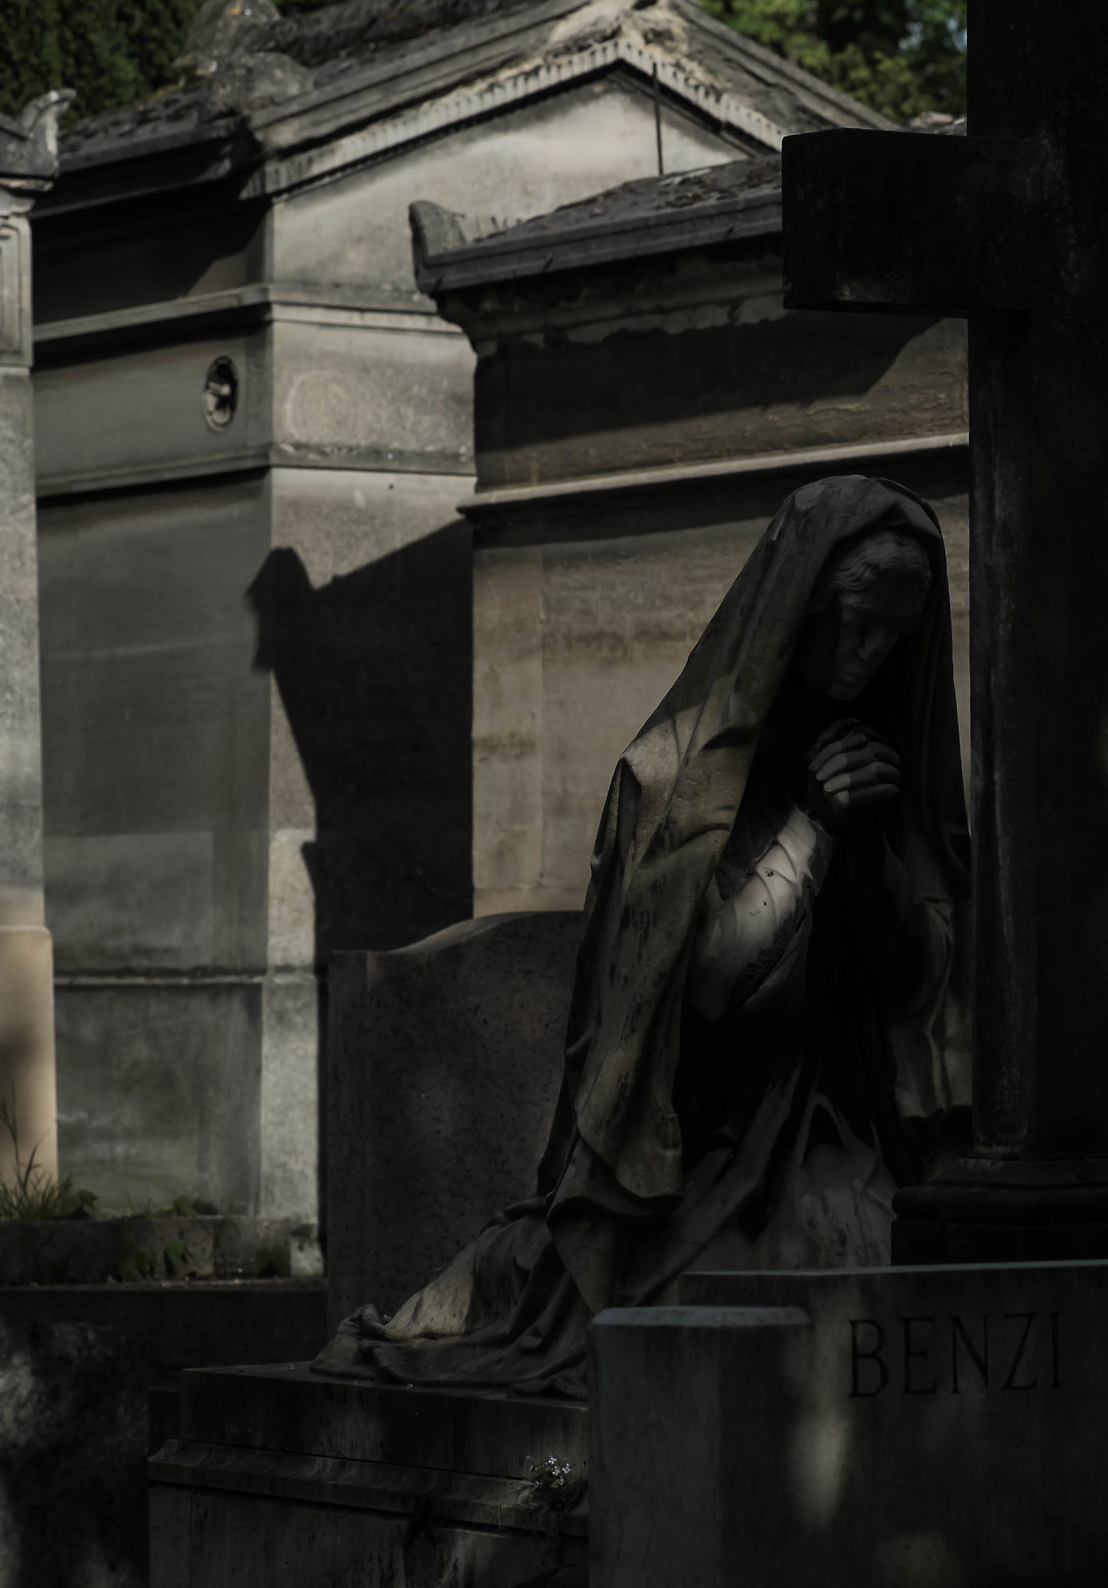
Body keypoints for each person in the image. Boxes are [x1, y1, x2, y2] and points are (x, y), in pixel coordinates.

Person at [315, 475, 969, 1396]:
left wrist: (869, 846)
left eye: (896, 634)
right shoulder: (676, 778)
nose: (872, 654)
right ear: (804, 607)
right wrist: (815, 826)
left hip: (843, 1131)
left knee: (893, 1267)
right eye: (857, 624)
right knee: (732, 1291)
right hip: (705, 1150)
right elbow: (706, 986)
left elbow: (917, 986)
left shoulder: (888, 759)